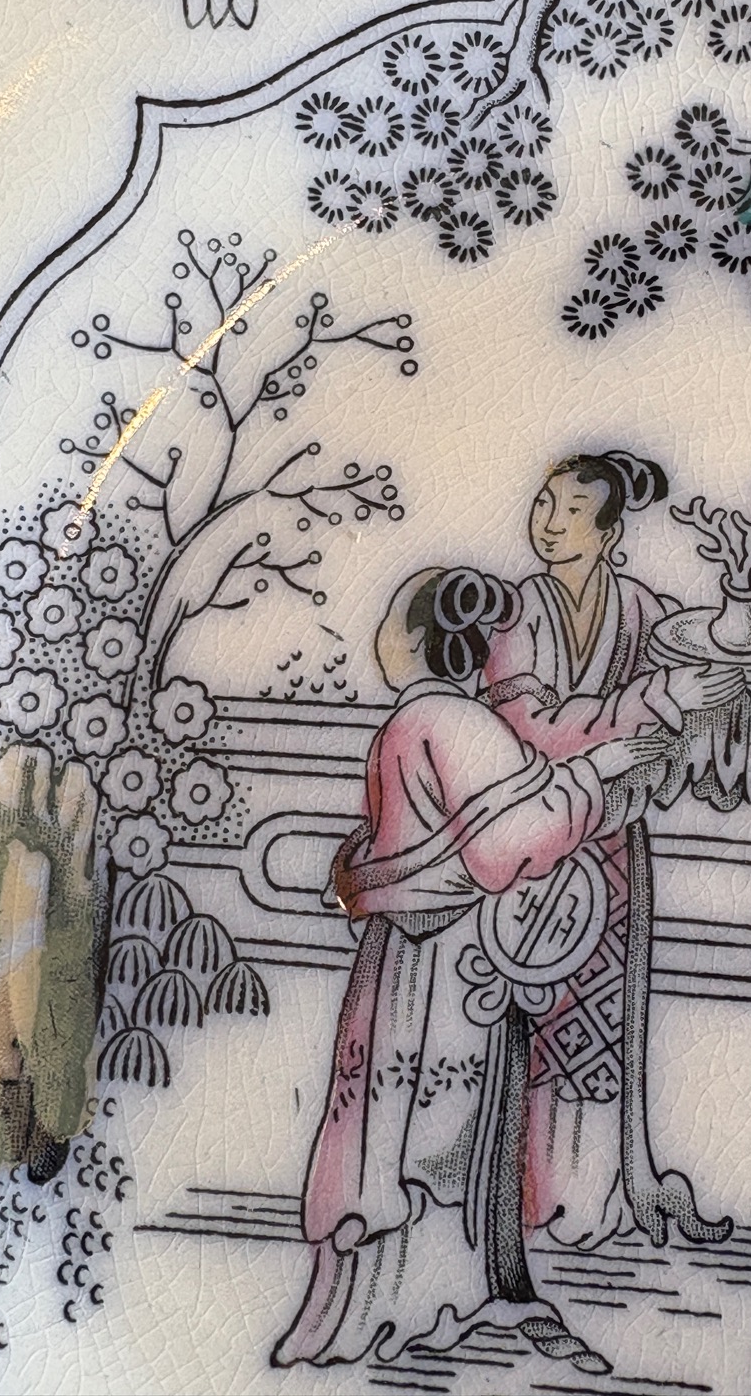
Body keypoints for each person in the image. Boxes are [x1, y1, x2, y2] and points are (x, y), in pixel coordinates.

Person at [272, 566, 673, 1375]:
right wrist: (601, 770)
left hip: (421, 958)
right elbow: (513, 839)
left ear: (419, 641)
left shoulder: (425, 720)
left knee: (406, 1119)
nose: (381, 636)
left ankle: (400, 1296)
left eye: (391, 621)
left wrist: (592, 770)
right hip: (446, 963)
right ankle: (427, 1295)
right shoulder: (454, 721)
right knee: (436, 1118)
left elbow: (480, 830)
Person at [483, 449, 743, 1251]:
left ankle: (599, 1191)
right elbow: (527, 727)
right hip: (534, 838)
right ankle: (530, 1197)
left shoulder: (639, 609)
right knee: (535, 1012)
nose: (549, 524)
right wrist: (650, 702)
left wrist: (736, 616)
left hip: (613, 846)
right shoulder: (518, 614)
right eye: (543, 504)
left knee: (605, 1019)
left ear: (608, 533)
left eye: (571, 511)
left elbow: (701, 660)